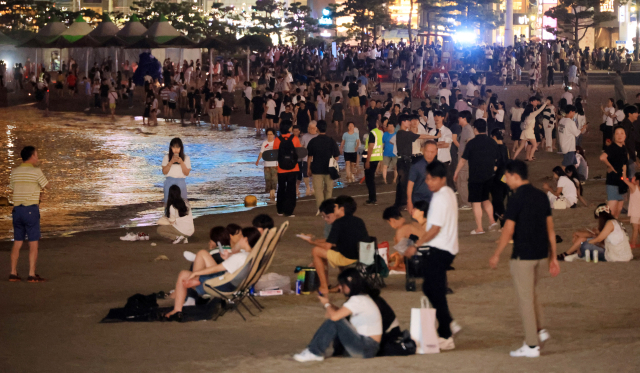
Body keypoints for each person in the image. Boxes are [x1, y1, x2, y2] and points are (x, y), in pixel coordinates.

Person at [490, 160, 560, 358]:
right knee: (533, 293)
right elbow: (550, 229)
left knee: (525, 300)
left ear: (514, 175)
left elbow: (508, 229)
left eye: (507, 177)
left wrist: (496, 254)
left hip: (523, 254)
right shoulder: (540, 196)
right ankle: (540, 331)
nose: (507, 180)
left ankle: (531, 345)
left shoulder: (516, 198)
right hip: (540, 253)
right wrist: (553, 256)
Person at [403, 161, 459, 350]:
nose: (428, 182)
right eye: (427, 178)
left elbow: (434, 228)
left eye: (432, 179)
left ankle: (446, 331)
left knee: (431, 288)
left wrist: (416, 245)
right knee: (434, 287)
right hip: (448, 247)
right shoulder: (449, 193)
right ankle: (448, 324)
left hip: (440, 248)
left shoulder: (439, 198)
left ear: (442, 179)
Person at [164, 227, 261, 321]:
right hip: (232, 283)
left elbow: (217, 268)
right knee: (202, 254)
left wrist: (197, 273)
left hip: (222, 285)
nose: (239, 240)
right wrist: (228, 257)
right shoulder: (249, 255)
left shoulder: (240, 256)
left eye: (241, 237)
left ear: (245, 239)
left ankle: (177, 309)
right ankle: (195, 280)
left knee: (184, 274)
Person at [293, 268, 382, 362]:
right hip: (367, 347)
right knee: (336, 319)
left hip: (365, 347)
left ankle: (314, 352)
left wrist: (326, 304)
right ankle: (312, 350)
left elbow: (334, 317)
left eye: (342, 285)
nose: (339, 288)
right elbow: (338, 313)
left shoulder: (358, 300)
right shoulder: (362, 298)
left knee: (336, 320)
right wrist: (328, 304)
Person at [310, 195, 369, 295]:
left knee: (316, 251)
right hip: (362, 256)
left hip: (347, 257)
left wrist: (312, 242)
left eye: (335, 206)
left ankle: (324, 286)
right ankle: (341, 284)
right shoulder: (359, 220)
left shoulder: (338, 223)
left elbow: (327, 246)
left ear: (341, 209)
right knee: (332, 250)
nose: (334, 208)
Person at [9, 146, 48, 282]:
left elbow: (14, 187)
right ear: (31, 157)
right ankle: (31, 274)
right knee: (33, 243)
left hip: (17, 210)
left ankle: (13, 272)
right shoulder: (36, 171)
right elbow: (46, 186)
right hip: (30, 209)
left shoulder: (14, 172)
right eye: (36, 155)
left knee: (18, 242)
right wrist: (39, 194)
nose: (37, 158)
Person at [453, 119, 500, 235]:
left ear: (475, 129)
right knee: (485, 199)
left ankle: (479, 228)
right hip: (489, 175)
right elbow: (497, 158)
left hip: (475, 176)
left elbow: (463, 160)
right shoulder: (492, 142)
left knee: (476, 202)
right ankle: (492, 221)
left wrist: (456, 172)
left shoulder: (471, 143)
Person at [557, 204, 632, 263]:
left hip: (617, 256)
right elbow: (595, 236)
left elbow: (598, 239)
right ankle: (569, 254)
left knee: (585, 245)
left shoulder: (610, 223)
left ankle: (575, 254)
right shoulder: (614, 222)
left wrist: (583, 244)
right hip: (618, 252)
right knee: (583, 241)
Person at [395, 115, 436, 208]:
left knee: (407, 182)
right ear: (403, 122)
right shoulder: (403, 133)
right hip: (405, 160)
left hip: (408, 159)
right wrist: (435, 136)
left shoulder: (403, 133)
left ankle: (403, 202)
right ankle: (402, 203)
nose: (410, 123)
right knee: (404, 182)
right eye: (408, 121)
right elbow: (421, 136)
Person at [307, 120, 341, 211]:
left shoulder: (313, 141)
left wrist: (308, 168)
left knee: (318, 190)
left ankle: (321, 209)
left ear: (317, 129)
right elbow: (337, 157)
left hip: (316, 169)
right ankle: (328, 209)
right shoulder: (331, 141)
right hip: (329, 170)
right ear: (326, 128)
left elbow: (309, 157)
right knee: (329, 190)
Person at [274, 121, 302, 217]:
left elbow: (274, 155)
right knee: (291, 189)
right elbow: (299, 153)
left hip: (281, 169)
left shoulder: (277, 140)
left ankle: (280, 210)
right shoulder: (295, 139)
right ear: (289, 128)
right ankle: (289, 211)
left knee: (281, 188)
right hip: (293, 168)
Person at [600, 126, 628, 218]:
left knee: (618, 209)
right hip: (613, 181)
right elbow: (602, 157)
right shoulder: (612, 147)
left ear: (625, 136)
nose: (619, 135)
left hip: (621, 182)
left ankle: (614, 229)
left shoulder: (623, 148)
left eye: (622, 133)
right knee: (611, 209)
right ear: (614, 136)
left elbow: (624, 166)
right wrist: (610, 166)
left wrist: (625, 180)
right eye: (617, 133)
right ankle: (605, 228)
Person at [407, 141, 437, 214]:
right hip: (419, 202)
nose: (429, 154)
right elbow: (410, 184)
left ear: (436, 151)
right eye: (427, 151)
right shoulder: (416, 166)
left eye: (432, 152)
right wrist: (409, 201)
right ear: (423, 150)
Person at [161, 138, 191, 203]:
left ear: (181, 148)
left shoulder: (186, 158)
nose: (176, 150)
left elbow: (186, 173)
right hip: (169, 181)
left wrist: (181, 162)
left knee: (182, 204)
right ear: (171, 148)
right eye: (174, 147)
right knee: (168, 203)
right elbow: (164, 172)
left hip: (181, 182)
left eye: (177, 147)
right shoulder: (167, 157)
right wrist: (171, 162)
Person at [364, 121, 384, 205]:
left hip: (371, 159)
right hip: (376, 158)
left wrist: (367, 161)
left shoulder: (372, 133)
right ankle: (372, 198)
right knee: (370, 179)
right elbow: (382, 145)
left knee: (369, 180)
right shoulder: (379, 132)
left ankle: (372, 199)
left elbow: (371, 147)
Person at [256, 128, 278, 201]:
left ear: (274, 135)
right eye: (268, 134)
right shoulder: (265, 143)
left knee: (274, 179)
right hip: (266, 165)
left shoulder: (276, 143)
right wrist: (258, 160)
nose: (269, 136)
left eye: (271, 134)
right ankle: (270, 194)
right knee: (268, 179)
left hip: (275, 164)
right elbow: (261, 152)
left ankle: (273, 194)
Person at [619, 105, 639, 179]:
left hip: (630, 155)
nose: (638, 114)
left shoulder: (629, 124)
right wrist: (628, 155)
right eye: (636, 113)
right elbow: (622, 141)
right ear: (630, 114)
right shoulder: (626, 126)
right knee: (631, 178)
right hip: (627, 156)